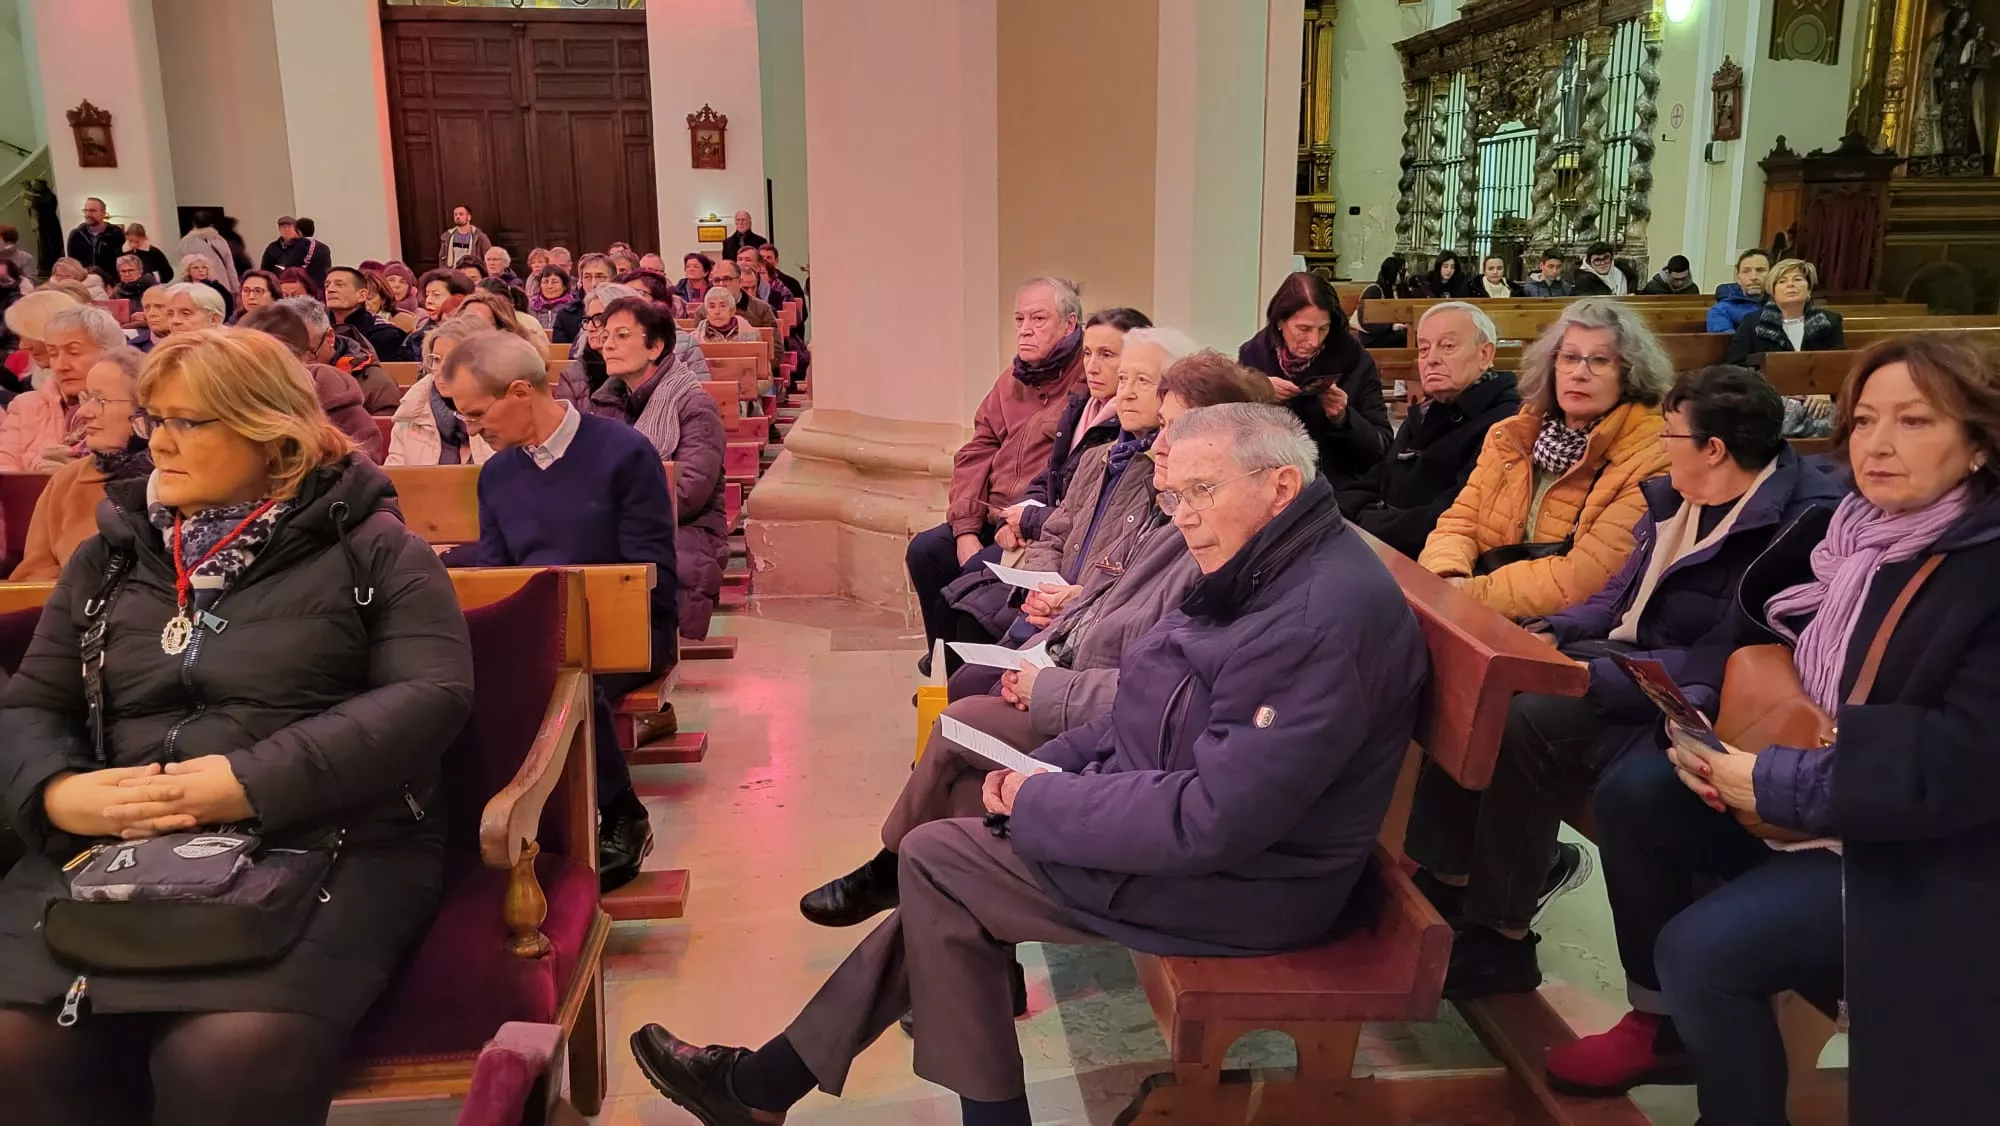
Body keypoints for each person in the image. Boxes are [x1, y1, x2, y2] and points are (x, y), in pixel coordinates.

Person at [632, 403, 1429, 1126]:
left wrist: (1040, 805)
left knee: (940, 861)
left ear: (1281, 484)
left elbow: (1213, 820)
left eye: (1200, 492)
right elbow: (1143, 703)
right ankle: (760, 1089)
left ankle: (774, 1091)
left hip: (1254, 885)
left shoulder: (1318, 615)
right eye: (1172, 496)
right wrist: (1048, 766)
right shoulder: (1258, 558)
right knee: (948, 869)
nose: (1182, 518)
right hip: (1190, 831)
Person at [0, 327, 474, 1126]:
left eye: (190, 422)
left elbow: (429, 695)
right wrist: (55, 795)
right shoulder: (110, 558)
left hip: (326, 839)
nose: (162, 443)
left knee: (225, 1055)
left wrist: (247, 781)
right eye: (155, 419)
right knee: (19, 1046)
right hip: (112, 845)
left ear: (271, 433)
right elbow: (32, 705)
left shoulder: (374, 551)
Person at [1568, 334, 2000, 1125]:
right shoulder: (1850, 538)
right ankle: (1661, 1023)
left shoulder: (1980, 569)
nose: (1878, 443)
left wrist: (1771, 781)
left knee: (1704, 951)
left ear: (1976, 445)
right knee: (1637, 793)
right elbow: (1768, 653)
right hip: (1827, 782)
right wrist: (1704, 736)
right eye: (1864, 420)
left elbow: (1960, 764)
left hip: (1923, 853)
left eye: (1914, 422)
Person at [1408, 365, 1842, 1002]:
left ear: (1714, 449)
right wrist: (1556, 628)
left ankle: (1501, 936)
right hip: (1624, 658)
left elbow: (1729, 650)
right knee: (1482, 675)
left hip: (1690, 694)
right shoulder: (1678, 496)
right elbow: (1619, 597)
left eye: (1670, 435)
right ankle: (1448, 870)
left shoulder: (1789, 525)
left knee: (1527, 719)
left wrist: (1599, 677)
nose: (1661, 447)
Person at [438, 332, 675, 892]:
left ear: (521, 391)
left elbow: (651, 577)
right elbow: (499, 578)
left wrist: (581, 618)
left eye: (477, 413)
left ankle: (622, 815)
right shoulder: (498, 473)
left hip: (629, 631)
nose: (472, 427)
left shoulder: (622, 452)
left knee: (565, 677)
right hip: (540, 633)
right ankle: (495, 823)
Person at [1418, 297, 1673, 618]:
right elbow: (1458, 524)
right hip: (1476, 609)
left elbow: (1585, 577)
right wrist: (1445, 576)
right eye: (1569, 358)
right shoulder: (1512, 435)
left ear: (1629, 374)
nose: (1580, 372)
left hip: (1564, 631)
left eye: (1599, 360)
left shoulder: (1651, 454)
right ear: (1552, 367)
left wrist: (1468, 594)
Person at [943, 327, 1195, 650]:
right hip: (1053, 605)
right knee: (959, 605)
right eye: (1123, 380)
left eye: (1142, 381)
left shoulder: (1162, 477)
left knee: (973, 651)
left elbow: (1132, 585)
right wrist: (1041, 587)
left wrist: (1067, 603)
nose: (1126, 393)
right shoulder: (1097, 458)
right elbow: (1056, 531)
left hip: (1085, 624)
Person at [907, 277, 1090, 671]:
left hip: (1030, 528)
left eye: (1039, 318)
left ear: (1070, 325)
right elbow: (976, 451)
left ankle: (959, 676)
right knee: (925, 551)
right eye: (1020, 318)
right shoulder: (1011, 381)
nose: (1025, 328)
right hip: (991, 516)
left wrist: (1022, 523)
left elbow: (1070, 478)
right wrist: (966, 529)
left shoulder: (1085, 385)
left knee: (970, 584)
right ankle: (942, 663)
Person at [1337, 302, 1525, 558]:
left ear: (1485, 354)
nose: (1431, 359)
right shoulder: (1427, 410)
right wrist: (1342, 510)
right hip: (1385, 544)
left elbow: (1453, 513)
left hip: (1434, 560)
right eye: (1424, 348)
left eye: (1448, 346)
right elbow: (1381, 475)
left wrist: (1367, 525)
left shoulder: (1505, 421)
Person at [596, 296, 730, 639]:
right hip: (623, 519)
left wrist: (605, 509)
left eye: (622, 335)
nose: (608, 344)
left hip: (686, 528)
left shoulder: (693, 405)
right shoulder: (606, 401)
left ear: (655, 347)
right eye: (605, 334)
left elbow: (688, 493)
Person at [998, 308, 1152, 549]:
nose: (1091, 367)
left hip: (1066, 545)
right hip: (1041, 535)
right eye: (1087, 353)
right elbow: (1048, 478)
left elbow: (1094, 520)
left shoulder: (1133, 429)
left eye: (1107, 355)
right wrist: (1012, 518)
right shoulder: (1078, 408)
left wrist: (1028, 520)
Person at [8, 345, 154, 580]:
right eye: (86, 398)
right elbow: (34, 575)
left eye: (100, 400)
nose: (84, 412)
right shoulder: (67, 482)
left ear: (145, 410)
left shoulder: (176, 479)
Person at [1237, 271, 1391, 489]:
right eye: (1304, 329)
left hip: (1337, 487)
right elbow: (1233, 435)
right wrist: (1256, 392)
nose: (1314, 341)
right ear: (1281, 322)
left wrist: (1343, 419)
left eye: (1323, 329)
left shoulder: (1353, 358)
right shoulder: (1253, 355)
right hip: (1266, 484)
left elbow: (1381, 447)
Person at [237, 302, 388, 462]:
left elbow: (360, 478)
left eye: (262, 360)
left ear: (300, 358)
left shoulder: (343, 413)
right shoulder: (230, 404)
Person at [0, 302, 120, 471]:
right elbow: (4, 473)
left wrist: (82, 475)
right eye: (53, 354)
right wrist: (37, 474)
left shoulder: (133, 410)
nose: (61, 365)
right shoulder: (25, 406)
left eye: (74, 352)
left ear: (111, 352)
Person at [385, 316, 498, 467]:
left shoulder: (505, 414)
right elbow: (396, 480)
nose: (441, 371)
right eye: (436, 359)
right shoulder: (411, 413)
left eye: (452, 361)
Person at [282, 296, 403, 415]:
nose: (299, 365)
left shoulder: (376, 385)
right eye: (285, 355)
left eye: (308, 355)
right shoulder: (269, 379)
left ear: (329, 338)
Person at [324, 266, 411, 363]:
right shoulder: (318, 330)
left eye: (339, 285)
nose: (330, 289)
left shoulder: (385, 334)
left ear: (362, 295)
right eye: (327, 285)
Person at [1706, 249, 1771, 333]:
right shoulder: (1721, 310)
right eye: (1746, 271)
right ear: (1738, 278)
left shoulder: (1782, 305)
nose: (1753, 277)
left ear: (1771, 275)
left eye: (1760, 270)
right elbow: (1725, 342)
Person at [1353, 256, 1411, 348]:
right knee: (1403, 338)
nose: (1407, 275)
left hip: (1396, 334)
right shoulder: (1374, 290)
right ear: (1392, 272)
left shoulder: (1402, 290)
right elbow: (1365, 319)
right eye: (1403, 271)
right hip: (1375, 337)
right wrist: (1391, 326)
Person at [176, 210, 239, 294]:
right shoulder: (220, 240)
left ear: (194, 224)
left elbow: (183, 269)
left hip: (196, 289)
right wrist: (236, 289)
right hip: (223, 286)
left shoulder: (185, 243)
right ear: (211, 224)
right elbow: (230, 268)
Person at [708, 260, 777, 332]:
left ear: (740, 282)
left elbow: (775, 342)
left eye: (727, 279)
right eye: (716, 280)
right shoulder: (702, 311)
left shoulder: (762, 309)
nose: (721, 284)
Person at [65, 197, 124, 279]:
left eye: (92, 211)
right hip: (83, 280)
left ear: (103, 213)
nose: (88, 214)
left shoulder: (115, 234)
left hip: (110, 281)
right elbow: (72, 262)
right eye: (86, 210)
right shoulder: (76, 234)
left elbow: (121, 262)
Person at [530, 265, 583, 343]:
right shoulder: (530, 307)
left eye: (554, 282)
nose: (550, 286)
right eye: (545, 282)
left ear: (564, 286)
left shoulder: (573, 308)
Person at [178, 254, 237, 319]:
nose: (200, 270)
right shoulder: (183, 287)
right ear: (188, 270)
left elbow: (227, 307)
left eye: (204, 267)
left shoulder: (217, 288)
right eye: (195, 267)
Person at [694, 285, 758, 343]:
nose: (717, 312)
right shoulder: (694, 338)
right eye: (712, 307)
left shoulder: (753, 334)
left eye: (722, 306)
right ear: (707, 313)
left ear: (732, 311)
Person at [1574, 241, 1638, 296]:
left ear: (1612, 258)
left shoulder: (1623, 270)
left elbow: (1633, 282)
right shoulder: (1583, 280)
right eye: (1597, 260)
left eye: (1606, 258)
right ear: (1590, 263)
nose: (1602, 263)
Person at [760, 244, 805, 319]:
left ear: (776, 261)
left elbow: (801, 315)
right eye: (762, 258)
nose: (765, 261)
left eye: (769, 258)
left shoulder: (791, 283)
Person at [132, 283, 171, 352]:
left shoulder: (192, 345)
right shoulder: (133, 348)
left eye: (159, 306)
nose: (151, 313)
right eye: (147, 308)